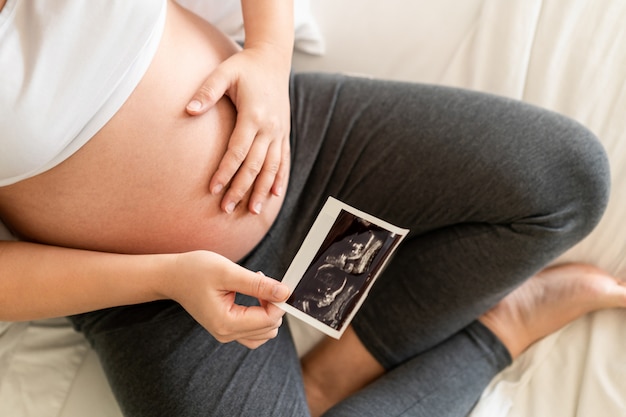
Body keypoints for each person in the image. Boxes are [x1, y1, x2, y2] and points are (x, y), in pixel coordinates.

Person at [0, 1, 624, 416]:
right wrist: (166, 277)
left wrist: (269, 57)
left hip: (301, 146)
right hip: (153, 298)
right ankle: (499, 335)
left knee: (566, 179)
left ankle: (334, 375)